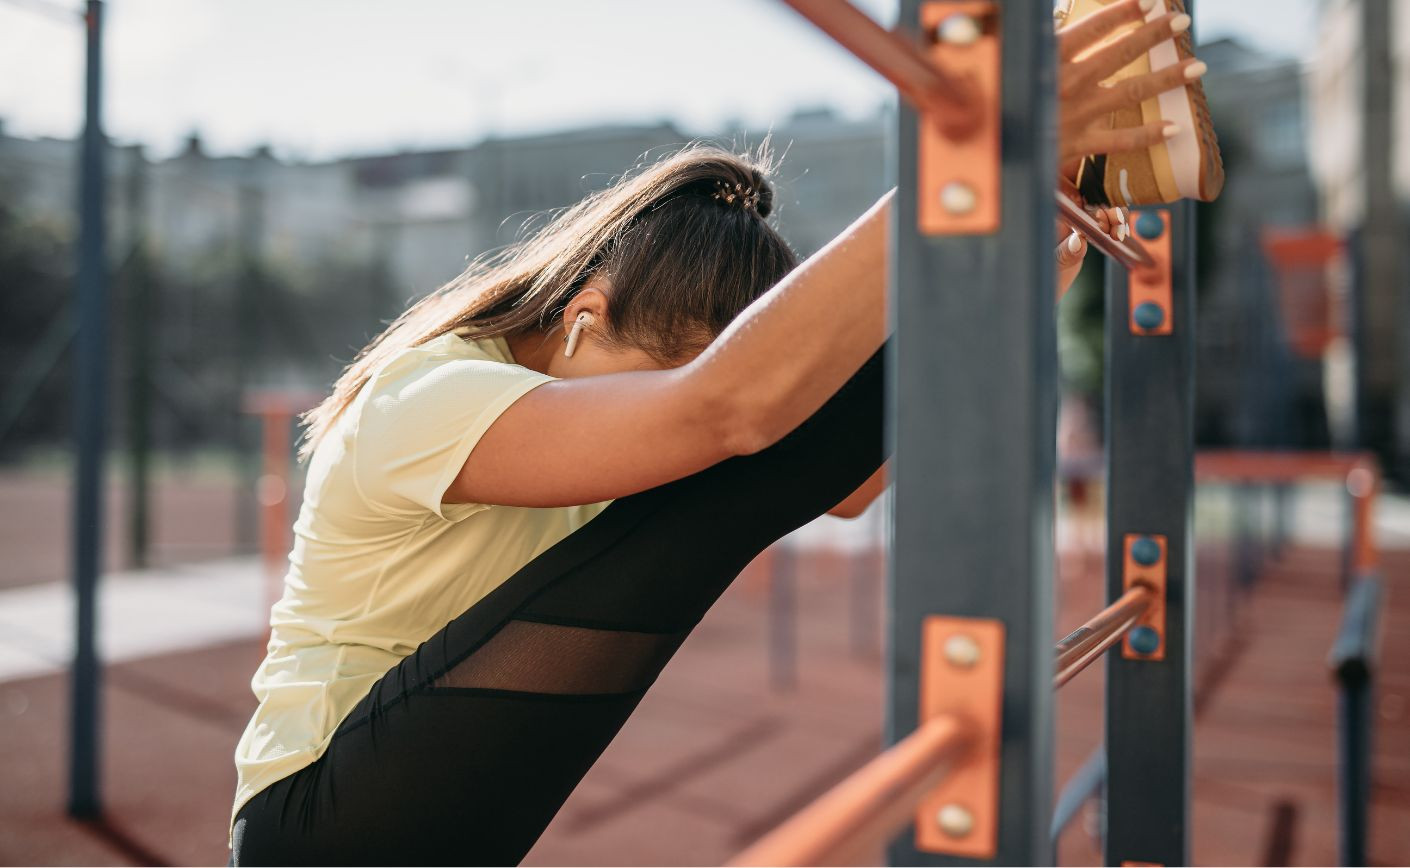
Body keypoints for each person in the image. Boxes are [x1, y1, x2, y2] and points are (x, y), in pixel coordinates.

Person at [228, 2, 1201, 862]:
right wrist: (982, 157)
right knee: (730, 450)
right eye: (674, 370)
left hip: (430, 806)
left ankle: (1034, 183)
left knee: (739, 450)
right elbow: (731, 411)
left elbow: (845, 481)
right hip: (318, 815)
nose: (686, 414)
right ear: (584, 314)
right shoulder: (430, 396)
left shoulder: (587, 411)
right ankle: (1018, 165)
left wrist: (1005, 301)